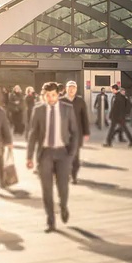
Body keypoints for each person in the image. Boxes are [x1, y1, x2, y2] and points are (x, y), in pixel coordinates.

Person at [27, 82, 79, 233]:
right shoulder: (38, 110)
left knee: (63, 186)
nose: (50, 98)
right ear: (43, 96)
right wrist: (29, 156)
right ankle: (51, 220)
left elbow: (75, 132)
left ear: (58, 95)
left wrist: (71, 154)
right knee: (46, 189)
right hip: (45, 154)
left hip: (63, 153)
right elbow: (33, 134)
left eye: (53, 95)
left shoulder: (67, 109)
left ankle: (63, 206)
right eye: (47, 95)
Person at [60, 81, 90, 184]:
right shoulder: (60, 101)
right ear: (66, 88)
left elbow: (84, 117)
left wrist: (86, 132)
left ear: (76, 89)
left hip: (76, 133)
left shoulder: (80, 101)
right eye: (70, 87)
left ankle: (74, 176)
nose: (72, 89)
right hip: (62, 133)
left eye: (74, 88)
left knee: (75, 156)